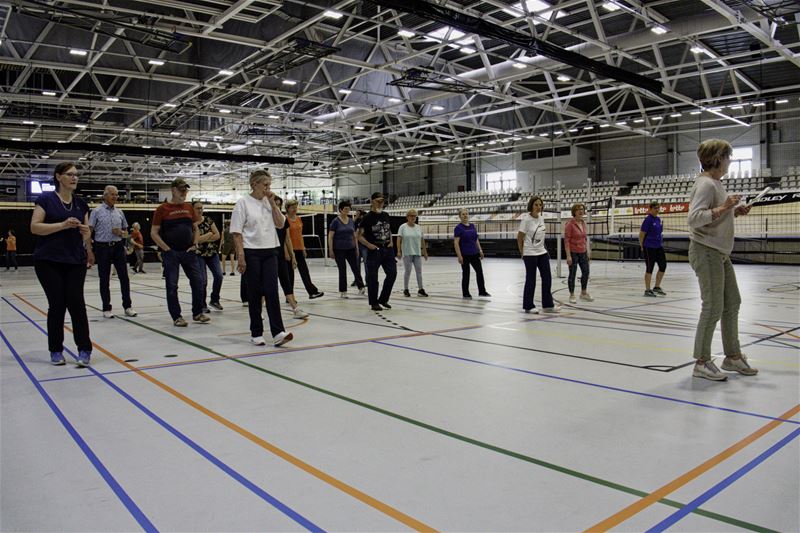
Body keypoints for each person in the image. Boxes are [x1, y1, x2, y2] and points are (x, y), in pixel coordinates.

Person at [688, 139, 757, 381]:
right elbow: (695, 218)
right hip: (706, 251)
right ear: (718, 158)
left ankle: (732, 356)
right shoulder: (706, 184)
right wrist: (725, 206)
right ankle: (702, 362)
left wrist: (733, 210)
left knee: (732, 302)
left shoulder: (716, 184)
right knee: (713, 306)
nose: (729, 161)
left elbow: (714, 213)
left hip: (719, 252)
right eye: (728, 156)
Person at [30, 162, 94, 366]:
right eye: (69, 174)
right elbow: (35, 227)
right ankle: (56, 350)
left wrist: (87, 234)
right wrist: (62, 225)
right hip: (48, 260)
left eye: (76, 174)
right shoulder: (46, 200)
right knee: (57, 304)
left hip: (75, 260)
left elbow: (86, 232)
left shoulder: (81, 204)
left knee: (77, 303)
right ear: (58, 177)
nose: (74, 178)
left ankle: (84, 349)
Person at [230, 169, 293, 347]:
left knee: (272, 291)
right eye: (265, 184)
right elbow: (236, 233)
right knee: (255, 293)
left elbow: (280, 224)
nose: (268, 188)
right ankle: (256, 332)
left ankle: (278, 331)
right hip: (251, 252)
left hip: (270, 251)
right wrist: (241, 256)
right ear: (254, 184)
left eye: (269, 185)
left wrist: (273, 204)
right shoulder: (242, 203)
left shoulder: (269, 202)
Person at [150, 178, 209, 327]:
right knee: (172, 285)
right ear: (173, 190)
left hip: (189, 252)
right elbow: (154, 233)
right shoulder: (162, 209)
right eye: (181, 190)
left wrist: (195, 244)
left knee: (198, 282)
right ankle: (177, 316)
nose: (184, 193)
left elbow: (195, 228)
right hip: (171, 253)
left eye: (186, 190)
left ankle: (197, 313)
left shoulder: (189, 208)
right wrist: (166, 249)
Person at [89, 185, 137, 318]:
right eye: (112, 194)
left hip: (117, 246)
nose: (115, 197)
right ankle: (106, 308)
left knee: (124, 278)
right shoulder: (96, 211)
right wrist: (88, 249)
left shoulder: (120, 212)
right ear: (105, 196)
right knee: (104, 279)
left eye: (116, 194)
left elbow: (127, 233)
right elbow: (89, 230)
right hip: (102, 247)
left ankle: (127, 306)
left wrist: (121, 233)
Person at [517, 196, 560, 314]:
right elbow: (519, 237)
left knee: (547, 278)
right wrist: (522, 252)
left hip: (542, 252)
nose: (538, 207)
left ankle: (547, 305)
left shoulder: (541, 218)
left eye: (540, 205)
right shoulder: (526, 220)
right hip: (530, 254)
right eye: (536, 205)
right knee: (531, 279)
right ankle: (528, 306)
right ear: (531, 206)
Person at [357, 192, 397, 311]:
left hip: (387, 249)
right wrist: (369, 245)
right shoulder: (367, 218)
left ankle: (383, 299)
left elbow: (388, 229)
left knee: (392, 273)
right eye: (378, 201)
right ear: (373, 201)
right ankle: (374, 302)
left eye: (382, 201)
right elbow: (359, 236)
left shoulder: (386, 215)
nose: (381, 203)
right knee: (372, 277)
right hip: (374, 250)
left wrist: (391, 241)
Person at [273, 196, 308, 318]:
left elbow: (287, 238)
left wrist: (292, 255)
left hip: (281, 256)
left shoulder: (283, 220)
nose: (277, 207)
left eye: (278, 205)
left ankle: (295, 309)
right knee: (268, 284)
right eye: (274, 204)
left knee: (286, 281)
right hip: (270, 255)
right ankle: (259, 311)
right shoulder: (266, 219)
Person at [285, 199, 324, 299]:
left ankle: (312, 292)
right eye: (292, 207)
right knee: (290, 275)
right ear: (287, 208)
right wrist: (287, 252)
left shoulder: (298, 219)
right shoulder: (285, 220)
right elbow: (286, 237)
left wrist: (303, 248)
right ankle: (289, 297)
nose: (294, 209)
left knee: (304, 271)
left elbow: (300, 235)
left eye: (296, 207)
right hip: (290, 250)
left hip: (299, 248)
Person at [328, 200, 365, 298]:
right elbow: (330, 236)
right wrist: (330, 250)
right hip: (339, 249)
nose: (347, 210)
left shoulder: (351, 221)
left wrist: (356, 248)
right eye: (345, 209)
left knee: (355, 268)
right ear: (340, 209)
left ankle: (361, 287)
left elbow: (354, 236)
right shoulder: (335, 221)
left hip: (351, 249)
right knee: (342, 269)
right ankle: (343, 290)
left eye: (349, 209)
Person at [193, 201, 224, 312]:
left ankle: (214, 299)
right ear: (193, 209)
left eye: (201, 208)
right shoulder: (192, 223)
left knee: (219, 276)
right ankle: (202, 305)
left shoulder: (208, 220)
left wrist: (203, 238)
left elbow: (217, 235)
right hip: (198, 254)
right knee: (203, 280)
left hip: (212, 253)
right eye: (197, 208)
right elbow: (195, 240)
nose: (200, 210)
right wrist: (209, 234)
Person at [454, 208, 490, 299]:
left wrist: (480, 250)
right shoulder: (458, 228)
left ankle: (482, 291)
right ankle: (465, 293)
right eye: (463, 214)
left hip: (474, 253)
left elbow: (476, 239)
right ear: (460, 216)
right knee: (466, 273)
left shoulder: (473, 226)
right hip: (464, 255)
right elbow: (456, 243)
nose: (465, 215)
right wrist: (459, 256)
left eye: (466, 214)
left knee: (479, 272)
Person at [564, 203, 593, 304]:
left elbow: (584, 239)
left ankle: (583, 293)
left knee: (586, 272)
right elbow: (566, 241)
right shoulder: (570, 224)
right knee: (572, 274)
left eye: (582, 209)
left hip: (583, 252)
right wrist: (568, 256)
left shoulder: (583, 223)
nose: (581, 211)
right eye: (578, 209)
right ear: (574, 212)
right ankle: (572, 294)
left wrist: (588, 252)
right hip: (573, 253)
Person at [397, 208, 428, 297]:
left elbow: (422, 240)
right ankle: (406, 289)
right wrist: (399, 251)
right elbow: (399, 239)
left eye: (414, 216)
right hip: (407, 252)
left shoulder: (418, 227)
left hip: (417, 252)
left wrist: (424, 251)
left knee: (419, 271)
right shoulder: (403, 227)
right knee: (408, 271)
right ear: (407, 217)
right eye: (411, 215)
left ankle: (421, 289)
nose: (413, 217)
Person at [639, 201, 667, 297]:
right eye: (655, 208)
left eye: (658, 208)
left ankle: (657, 287)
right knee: (649, 268)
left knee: (663, 266)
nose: (657, 210)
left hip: (658, 246)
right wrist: (642, 246)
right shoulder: (648, 220)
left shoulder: (658, 219)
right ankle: (647, 290)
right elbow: (641, 234)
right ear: (650, 209)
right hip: (649, 247)